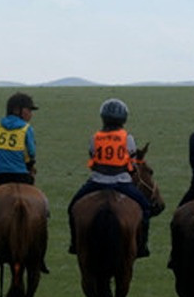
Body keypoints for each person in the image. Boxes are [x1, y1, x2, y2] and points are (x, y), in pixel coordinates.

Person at [66, 98, 161, 258]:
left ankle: (75, 243)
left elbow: (92, 157)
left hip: (97, 181)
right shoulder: (128, 138)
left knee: (73, 207)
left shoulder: (94, 138)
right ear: (123, 119)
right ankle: (142, 245)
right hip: (121, 182)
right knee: (145, 208)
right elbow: (131, 162)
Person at [0, 92, 38, 198]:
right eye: (28, 110)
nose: (31, 114)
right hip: (20, 176)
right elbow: (32, 153)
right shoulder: (27, 128)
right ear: (17, 110)